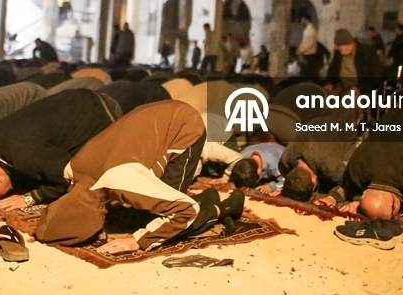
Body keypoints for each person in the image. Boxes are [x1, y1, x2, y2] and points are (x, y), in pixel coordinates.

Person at [34, 100, 245, 254]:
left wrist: (138, 240)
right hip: (151, 114)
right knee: (132, 209)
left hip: (183, 125)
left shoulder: (121, 179)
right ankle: (207, 197)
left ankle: (224, 207)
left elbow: (185, 211)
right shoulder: (70, 170)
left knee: (166, 222)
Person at [0, 89, 122, 208]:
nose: (2, 196)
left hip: (102, 114)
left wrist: (32, 197)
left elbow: (69, 175)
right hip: (78, 96)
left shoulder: (25, 158)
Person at [325, 29, 383, 95]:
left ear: (346, 44)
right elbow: (333, 69)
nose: (336, 48)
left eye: (338, 45)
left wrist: (359, 87)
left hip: (362, 89)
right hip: (342, 86)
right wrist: (330, 82)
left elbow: (376, 76)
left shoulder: (366, 52)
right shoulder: (338, 53)